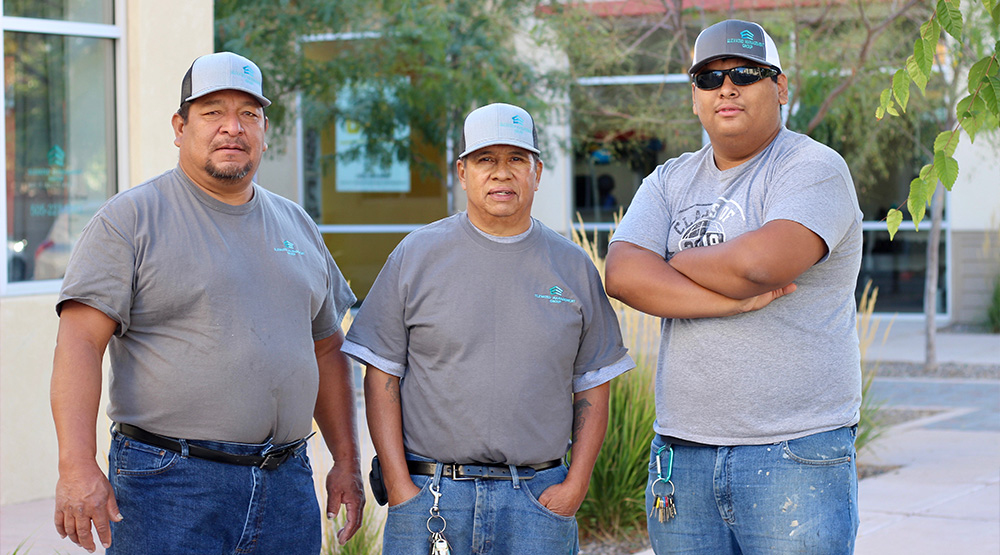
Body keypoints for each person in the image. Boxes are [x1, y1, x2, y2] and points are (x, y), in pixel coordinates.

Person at [50, 51, 364, 554]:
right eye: (212, 111)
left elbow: (328, 348)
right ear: (180, 127)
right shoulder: (130, 220)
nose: (231, 128)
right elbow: (79, 344)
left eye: (248, 114)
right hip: (169, 486)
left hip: (286, 483)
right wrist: (76, 466)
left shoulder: (297, 225)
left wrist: (345, 460)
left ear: (265, 130)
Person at [605, 19, 863, 554]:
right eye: (709, 77)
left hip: (794, 452)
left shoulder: (814, 168)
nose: (726, 87)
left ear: (781, 86)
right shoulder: (669, 179)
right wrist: (726, 301)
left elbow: (759, 266)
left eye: (746, 73)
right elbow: (624, 274)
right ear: (694, 95)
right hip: (682, 454)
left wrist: (670, 257)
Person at [342, 102, 635, 554]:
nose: (502, 173)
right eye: (486, 160)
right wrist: (401, 488)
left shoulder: (572, 267)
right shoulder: (415, 256)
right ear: (463, 172)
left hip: (538, 501)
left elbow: (593, 385)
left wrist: (575, 485)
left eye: (516, 160)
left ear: (537, 172)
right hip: (433, 500)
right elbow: (381, 377)